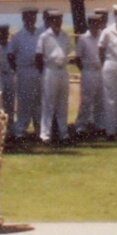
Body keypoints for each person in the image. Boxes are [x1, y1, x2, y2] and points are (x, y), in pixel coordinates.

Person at [36, 10, 71, 144]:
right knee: (48, 103)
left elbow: (67, 52)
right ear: (50, 21)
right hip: (50, 70)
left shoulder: (65, 36)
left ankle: (64, 133)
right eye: (55, 19)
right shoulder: (44, 37)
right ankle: (45, 134)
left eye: (60, 19)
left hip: (63, 70)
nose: (58, 22)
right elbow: (38, 57)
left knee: (62, 103)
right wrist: (44, 72)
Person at [9, 9, 43, 141]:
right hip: (24, 70)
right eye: (28, 17)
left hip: (38, 70)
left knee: (39, 100)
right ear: (23, 19)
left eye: (33, 17)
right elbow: (11, 55)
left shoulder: (41, 34)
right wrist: (17, 69)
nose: (31, 20)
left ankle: (40, 128)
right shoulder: (18, 36)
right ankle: (20, 131)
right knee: (24, 101)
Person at [97, 4, 117, 136]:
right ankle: (110, 130)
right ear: (114, 16)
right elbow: (101, 49)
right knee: (110, 98)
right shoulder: (107, 31)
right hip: (111, 63)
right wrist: (105, 63)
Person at [74, 10, 106, 139]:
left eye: (97, 23)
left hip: (100, 70)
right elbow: (78, 58)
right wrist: (84, 70)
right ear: (89, 24)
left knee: (100, 99)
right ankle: (81, 125)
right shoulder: (83, 39)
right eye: (93, 23)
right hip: (88, 71)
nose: (95, 26)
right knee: (86, 100)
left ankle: (100, 124)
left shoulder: (103, 36)